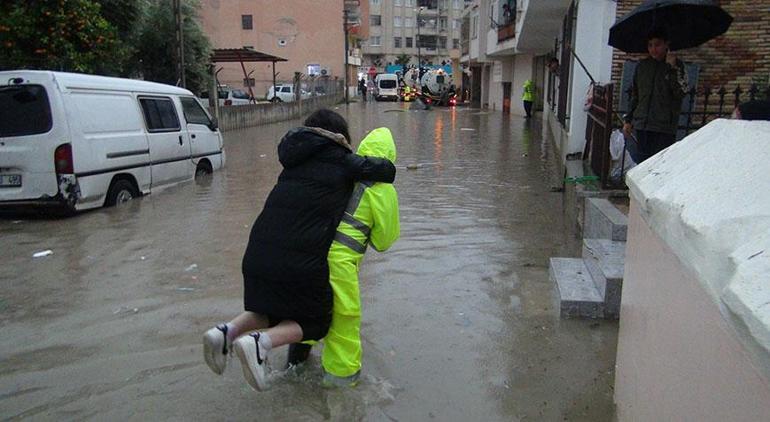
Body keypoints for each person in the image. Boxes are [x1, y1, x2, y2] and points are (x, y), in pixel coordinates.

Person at [202, 109, 396, 391]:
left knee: (278, 310)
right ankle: (334, 385)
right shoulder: (350, 167)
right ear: (340, 139)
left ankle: (229, 334)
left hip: (261, 251)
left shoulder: (293, 165)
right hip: (319, 262)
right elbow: (384, 235)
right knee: (323, 322)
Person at [287, 127, 401, 387]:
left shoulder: (342, 172)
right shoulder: (382, 190)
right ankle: (341, 389)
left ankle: (293, 372)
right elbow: (384, 242)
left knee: (306, 314)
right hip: (339, 265)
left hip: (310, 254)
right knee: (344, 324)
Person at [623, 28, 689, 163]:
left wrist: (671, 69)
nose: (653, 49)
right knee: (642, 163)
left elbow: (680, 92)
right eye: (650, 45)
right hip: (643, 125)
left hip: (664, 127)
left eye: (657, 44)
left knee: (660, 165)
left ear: (666, 44)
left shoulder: (677, 66)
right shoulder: (642, 66)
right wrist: (628, 120)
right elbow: (636, 94)